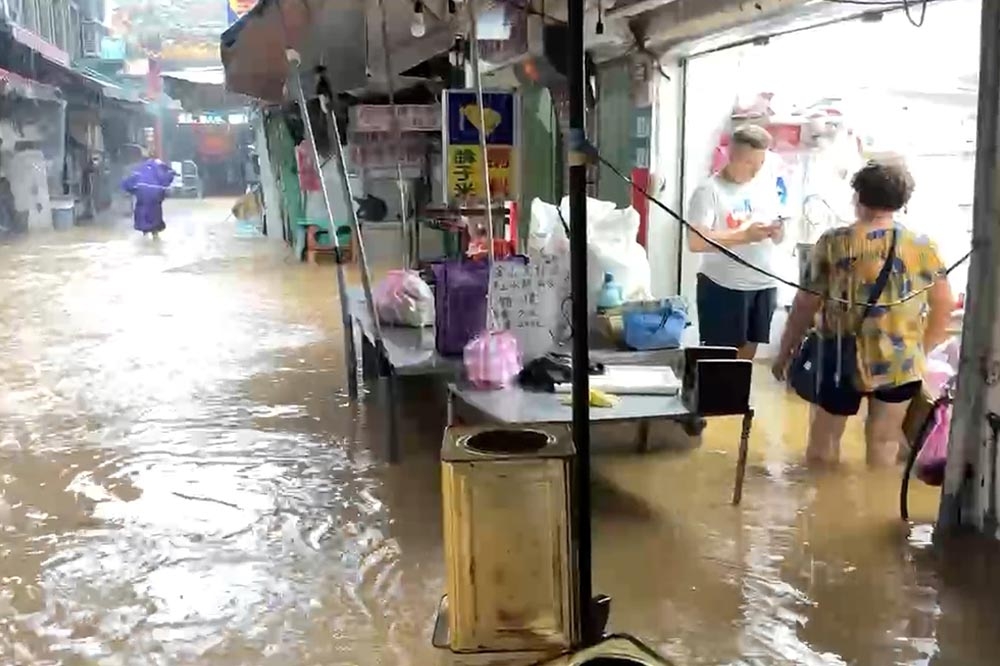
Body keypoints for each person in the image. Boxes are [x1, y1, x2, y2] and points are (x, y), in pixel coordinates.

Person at [772, 157, 953, 466]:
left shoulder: (835, 243)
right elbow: (944, 304)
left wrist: (784, 353)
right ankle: (874, 507)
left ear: (857, 195)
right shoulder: (922, 246)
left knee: (824, 441)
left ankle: (821, 509)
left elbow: (806, 303)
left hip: (841, 357)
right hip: (900, 361)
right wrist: (921, 351)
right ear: (902, 201)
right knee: (884, 441)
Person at [687, 125, 785, 359]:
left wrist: (778, 232)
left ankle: (739, 396)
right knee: (721, 359)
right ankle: (717, 396)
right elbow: (696, 242)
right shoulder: (709, 191)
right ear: (732, 156)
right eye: (750, 163)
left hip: (763, 282)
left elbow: (777, 227)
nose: (755, 170)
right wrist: (744, 236)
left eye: (760, 163)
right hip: (724, 286)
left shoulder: (766, 183)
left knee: (747, 355)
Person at [122, 155, 176, 239]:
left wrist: (131, 191)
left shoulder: (139, 168)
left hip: (142, 193)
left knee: (142, 215)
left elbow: (128, 183)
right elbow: (168, 176)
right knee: (155, 214)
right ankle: (155, 236)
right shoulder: (159, 166)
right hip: (155, 193)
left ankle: (145, 237)